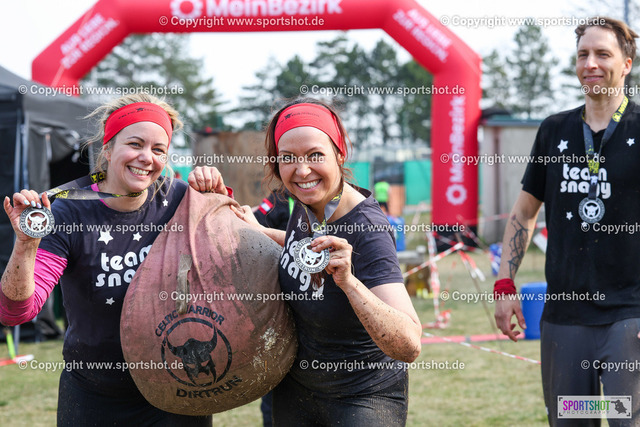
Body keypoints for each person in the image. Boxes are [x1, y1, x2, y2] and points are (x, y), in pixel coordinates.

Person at [0, 93, 228, 426]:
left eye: (159, 149)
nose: (146, 157)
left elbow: (233, 259)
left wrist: (218, 198)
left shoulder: (181, 199)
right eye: (135, 144)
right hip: (96, 395)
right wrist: (25, 245)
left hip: (179, 389)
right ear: (107, 149)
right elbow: (15, 312)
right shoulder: (68, 212)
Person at [232, 99, 421, 426]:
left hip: (361, 397)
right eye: (288, 158)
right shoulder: (309, 203)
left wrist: (349, 282)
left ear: (340, 153)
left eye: (315, 155)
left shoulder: (368, 229)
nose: (302, 170)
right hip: (297, 393)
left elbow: (409, 345)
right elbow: (301, 246)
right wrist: (260, 231)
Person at [493, 17, 640, 425]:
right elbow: (524, 212)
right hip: (565, 319)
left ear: (626, 64)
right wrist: (504, 284)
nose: (590, 64)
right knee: (574, 420)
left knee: (626, 418)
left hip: (629, 315)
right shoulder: (554, 129)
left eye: (603, 54)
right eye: (582, 55)